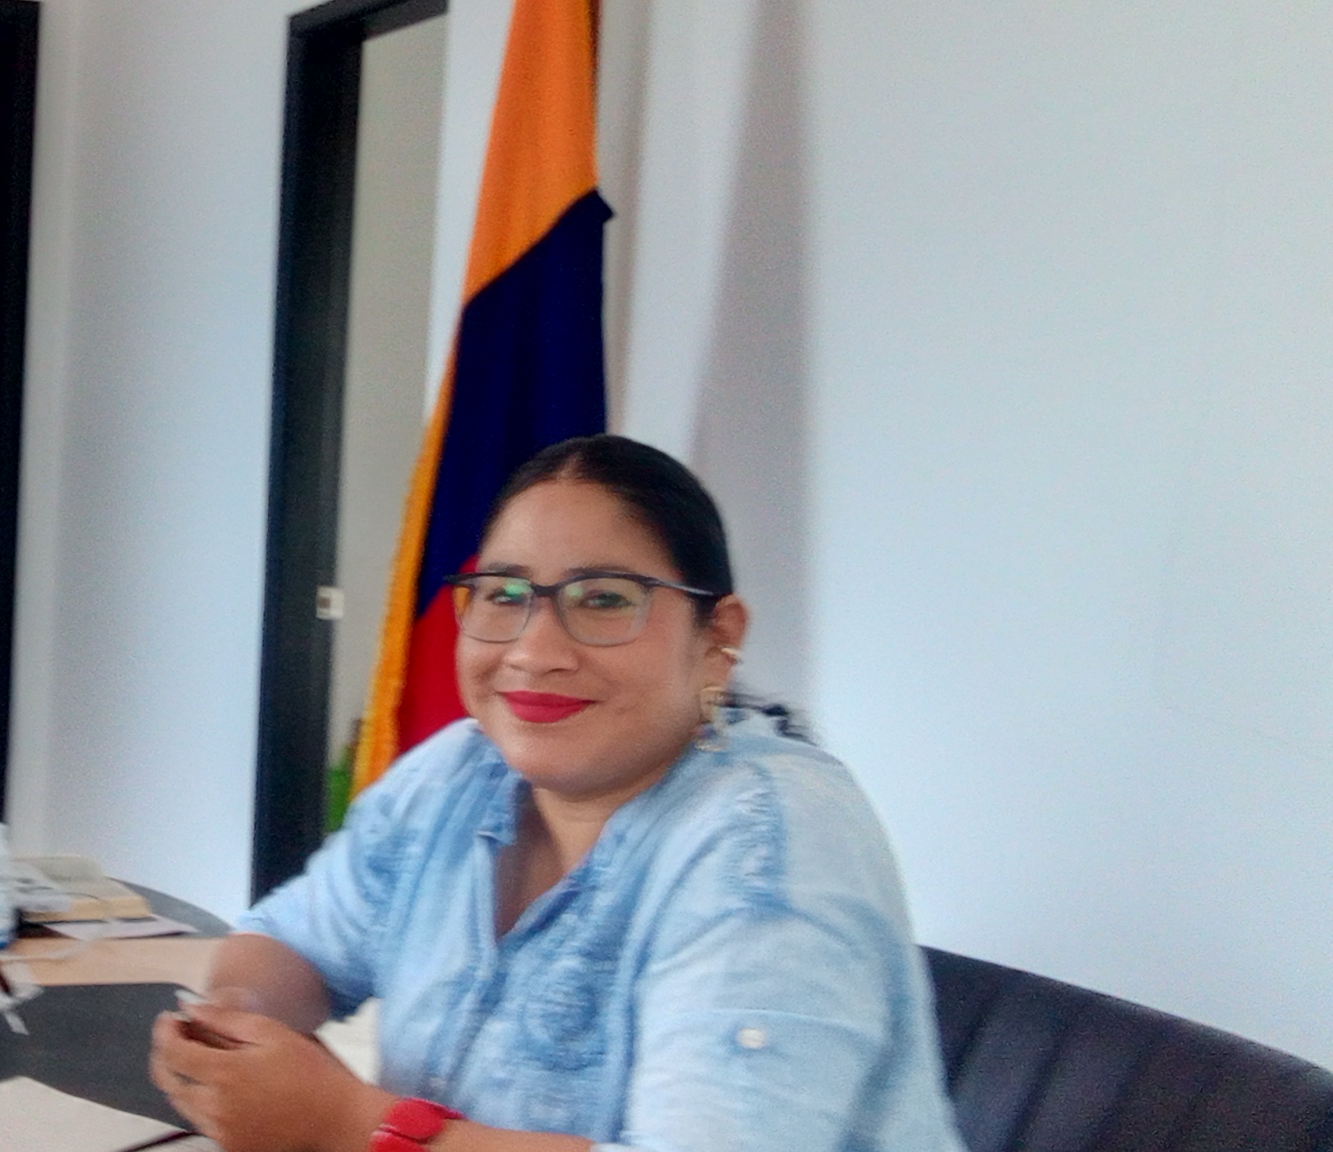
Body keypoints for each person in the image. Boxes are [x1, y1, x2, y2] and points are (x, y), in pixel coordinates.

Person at [151, 435, 966, 1152]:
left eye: (604, 599)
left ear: (717, 639)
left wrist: (344, 1124)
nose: (534, 651)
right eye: (504, 596)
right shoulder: (459, 774)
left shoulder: (771, 832)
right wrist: (236, 1025)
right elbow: (294, 940)